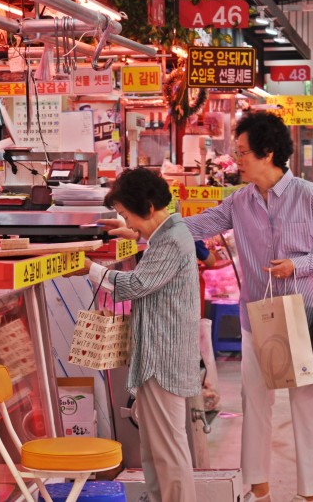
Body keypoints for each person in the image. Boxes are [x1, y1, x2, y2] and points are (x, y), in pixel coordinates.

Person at [100, 111, 313, 502]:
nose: (236, 159)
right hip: (258, 318)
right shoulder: (240, 201)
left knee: (306, 407)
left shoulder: (309, 195)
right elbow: (196, 226)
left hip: (302, 318)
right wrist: (140, 225)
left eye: (242, 152)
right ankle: (260, 488)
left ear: (268, 153)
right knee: (256, 403)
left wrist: (298, 264)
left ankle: (310, 493)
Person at [84, 167, 200, 502]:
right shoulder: (168, 234)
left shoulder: (172, 240)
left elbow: (137, 285)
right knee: (156, 448)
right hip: (157, 356)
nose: (128, 223)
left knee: (168, 448)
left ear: (147, 207)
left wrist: (89, 269)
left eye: (126, 214)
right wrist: (132, 235)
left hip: (163, 359)